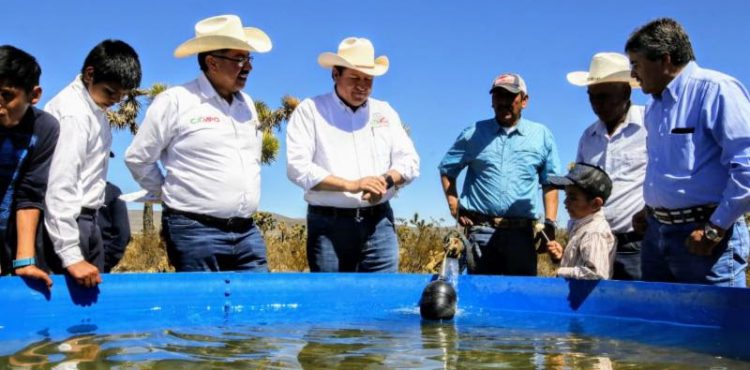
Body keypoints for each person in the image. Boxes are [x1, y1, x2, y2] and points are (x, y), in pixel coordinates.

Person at [125, 15, 271, 272]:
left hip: (246, 230)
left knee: (254, 304)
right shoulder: (176, 101)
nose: (248, 67)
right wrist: (170, 194)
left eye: (249, 58)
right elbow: (139, 157)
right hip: (194, 231)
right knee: (202, 308)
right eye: (239, 59)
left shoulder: (247, 106)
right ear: (212, 62)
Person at [626, 18, 750, 287]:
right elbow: (668, 166)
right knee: (659, 325)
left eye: (636, 64)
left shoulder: (717, 90)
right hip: (657, 236)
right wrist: (650, 209)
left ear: (664, 59)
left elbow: (747, 166)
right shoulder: (654, 107)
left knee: (715, 325)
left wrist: (715, 229)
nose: (633, 74)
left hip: (704, 239)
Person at [286, 37, 420, 272]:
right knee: (333, 301)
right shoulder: (311, 110)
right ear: (335, 74)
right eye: (354, 78)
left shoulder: (385, 112)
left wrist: (385, 181)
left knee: (382, 299)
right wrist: (352, 184)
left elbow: (410, 161)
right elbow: (298, 168)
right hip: (329, 226)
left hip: (379, 224)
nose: (362, 86)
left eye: (368, 79)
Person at [439, 73, 561, 276]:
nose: (504, 102)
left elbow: (550, 184)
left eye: (510, 96)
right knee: (478, 298)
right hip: (481, 233)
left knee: (518, 298)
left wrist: (550, 223)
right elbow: (447, 169)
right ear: (492, 101)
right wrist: (455, 206)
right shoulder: (474, 133)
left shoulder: (541, 135)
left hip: (521, 237)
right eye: (498, 96)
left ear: (524, 101)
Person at [44, 40, 142, 287]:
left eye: (121, 97)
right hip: (69, 226)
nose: (114, 101)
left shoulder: (94, 111)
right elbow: (60, 185)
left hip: (89, 222)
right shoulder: (73, 115)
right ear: (90, 74)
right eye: (110, 92)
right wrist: (70, 254)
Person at [566, 52, 646, 280]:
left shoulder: (650, 125)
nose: (597, 104)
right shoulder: (588, 137)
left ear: (626, 92)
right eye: (592, 97)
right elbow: (579, 186)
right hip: (592, 244)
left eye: (605, 96)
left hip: (635, 246)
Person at [0, 45, 58, 289]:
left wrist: (23, 261)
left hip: (12, 229)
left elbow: (30, 194)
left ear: (34, 95)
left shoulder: (44, 128)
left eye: (6, 95)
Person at [546, 163, 616, 280]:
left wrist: (561, 271)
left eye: (572, 198)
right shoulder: (581, 227)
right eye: (566, 196)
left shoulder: (594, 232)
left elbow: (595, 273)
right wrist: (562, 257)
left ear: (595, 203)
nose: (565, 202)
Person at [98, 180, 131, 272]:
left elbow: (123, 234)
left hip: (99, 264)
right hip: (67, 262)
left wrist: (104, 260)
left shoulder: (111, 192)